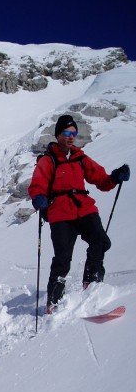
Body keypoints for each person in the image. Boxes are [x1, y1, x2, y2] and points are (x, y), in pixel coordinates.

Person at [28, 114, 130, 313]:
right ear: (58, 135)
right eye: (66, 132)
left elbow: (102, 181)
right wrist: (38, 197)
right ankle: (53, 302)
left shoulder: (80, 158)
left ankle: (91, 284)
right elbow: (37, 184)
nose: (70, 136)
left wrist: (115, 177)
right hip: (60, 213)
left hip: (84, 208)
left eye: (73, 133)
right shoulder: (48, 161)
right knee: (63, 259)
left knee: (101, 241)